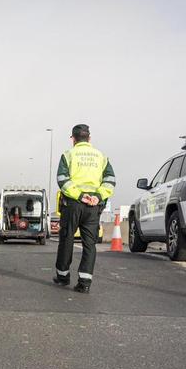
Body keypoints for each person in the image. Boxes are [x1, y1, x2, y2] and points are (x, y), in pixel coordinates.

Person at [53, 124, 115, 293]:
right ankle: (85, 283)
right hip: (93, 206)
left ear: (73, 139)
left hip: (73, 203)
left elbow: (62, 179)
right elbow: (110, 180)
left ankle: (63, 276)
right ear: (89, 138)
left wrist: (80, 195)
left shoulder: (68, 154)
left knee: (67, 239)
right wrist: (98, 196)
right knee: (89, 244)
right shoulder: (101, 156)